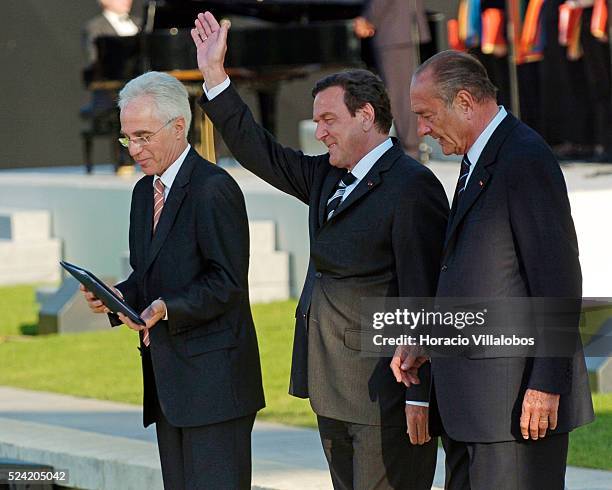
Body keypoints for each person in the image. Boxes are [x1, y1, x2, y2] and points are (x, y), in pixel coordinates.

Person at [190, 12, 449, 490]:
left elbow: (425, 294)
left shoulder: (413, 188)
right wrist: (215, 78)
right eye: (318, 121)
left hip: (386, 397)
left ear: (367, 116)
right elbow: (259, 152)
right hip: (331, 388)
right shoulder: (325, 174)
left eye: (330, 120)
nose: (320, 131)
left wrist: (421, 399)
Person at [395, 50, 594, 489]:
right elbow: (489, 278)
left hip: (516, 413)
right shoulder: (478, 160)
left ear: (465, 102)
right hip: (473, 412)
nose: (422, 130)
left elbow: (558, 280)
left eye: (427, 115)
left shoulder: (524, 159)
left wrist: (546, 384)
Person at [80, 71, 265, 490]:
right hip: (170, 387)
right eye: (128, 138)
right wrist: (117, 296)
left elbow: (226, 282)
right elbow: (149, 276)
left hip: (215, 388)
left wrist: (167, 308)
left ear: (179, 127)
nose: (134, 150)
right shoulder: (144, 192)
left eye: (144, 136)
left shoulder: (214, 189)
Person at [353, 0, 430, 158]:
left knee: (401, 94)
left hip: (394, 29)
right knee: (402, 92)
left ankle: (411, 151)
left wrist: (368, 19)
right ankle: (411, 149)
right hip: (398, 30)